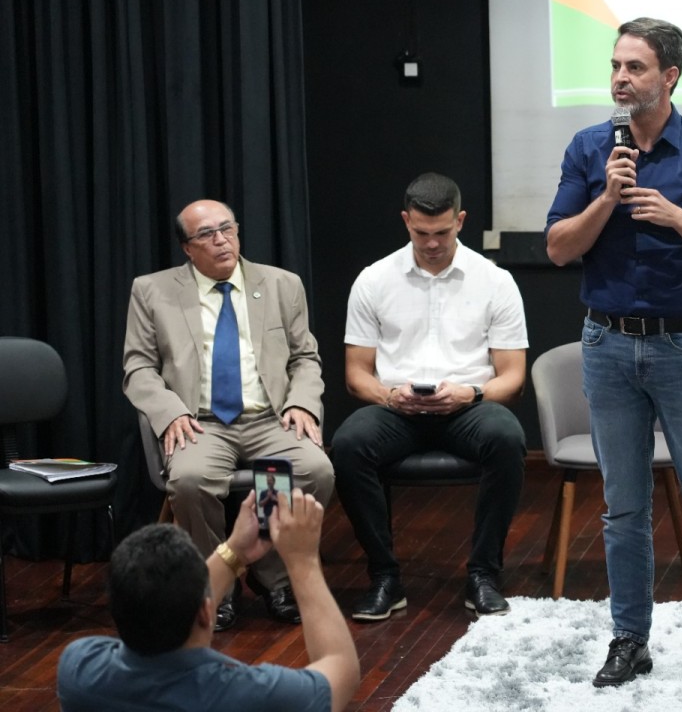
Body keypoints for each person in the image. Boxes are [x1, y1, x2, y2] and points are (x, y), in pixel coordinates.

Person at [545, 17, 682, 689]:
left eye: (634, 67)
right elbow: (558, 248)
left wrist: (679, 218)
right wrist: (606, 199)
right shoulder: (589, 150)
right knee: (623, 508)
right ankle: (629, 640)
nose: (620, 78)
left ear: (669, 76)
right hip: (607, 345)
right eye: (615, 65)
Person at [123, 199, 335, 631]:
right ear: (187, 248)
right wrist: (170, 412)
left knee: (315, 470)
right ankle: (219, 582)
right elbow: (138, 367)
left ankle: (275, 577)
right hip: (200, 421)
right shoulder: (152, 290)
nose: (221, 240)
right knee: (189, 481)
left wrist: (300, 402)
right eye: (206, 234)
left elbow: (305, 358)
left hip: (269, 419)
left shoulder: (281, 284)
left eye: (227, 229)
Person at [330, 172, 528, 621]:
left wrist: (469, 393)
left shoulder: (495, 281)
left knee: (507, 438)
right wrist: (389, 396)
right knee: (347, 444)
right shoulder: (374, 280)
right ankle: (384, 577)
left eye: (442, 232)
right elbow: (356, 374)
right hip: (397, 408)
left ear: (460, 220)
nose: (433, 243)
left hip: (467, 406)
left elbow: (513, 378)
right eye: (422, 233)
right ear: (406, 221)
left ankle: (484, 574)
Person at [57, 489, 361, 711]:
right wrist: (302, 561)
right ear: (206, 610)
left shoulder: (79, 671)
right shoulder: (253, 695)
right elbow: (341, 667)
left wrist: (235, 550)